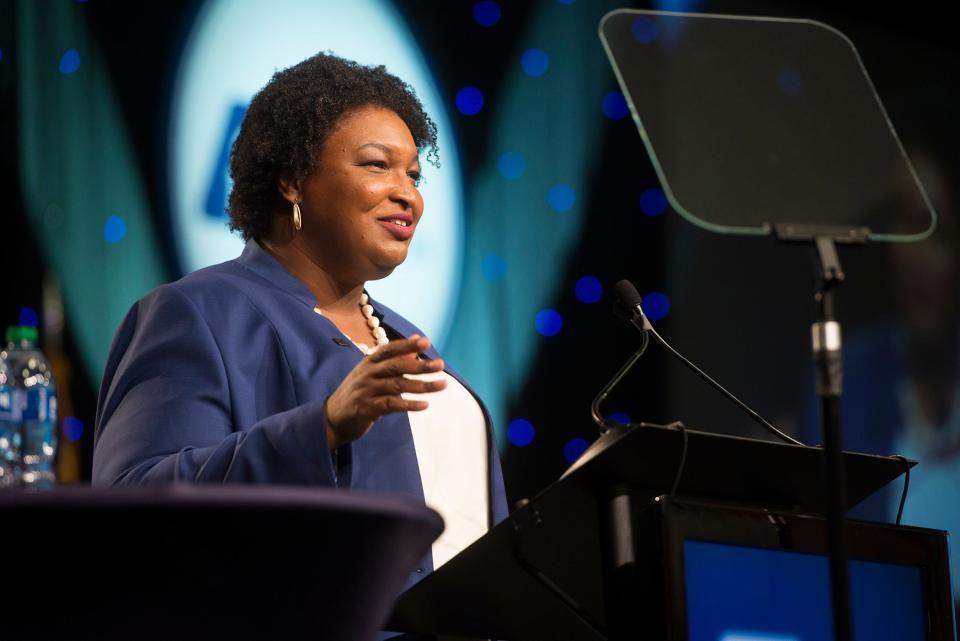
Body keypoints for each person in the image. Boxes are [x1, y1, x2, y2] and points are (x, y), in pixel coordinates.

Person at [92, 53, 508, 581]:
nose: (409, 195)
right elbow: (134, 504)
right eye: (377, 165)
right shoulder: (197, 313)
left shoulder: (405, 339)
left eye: (414, 174)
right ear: (293, 180)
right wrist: (324, 427)